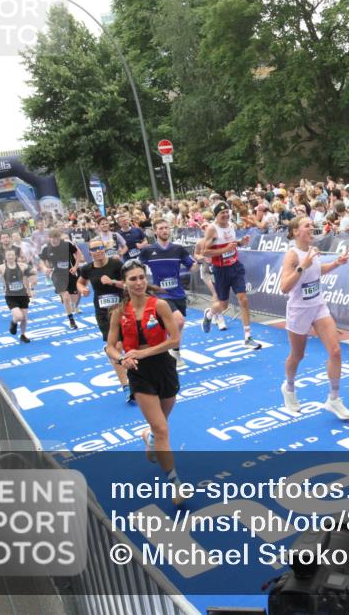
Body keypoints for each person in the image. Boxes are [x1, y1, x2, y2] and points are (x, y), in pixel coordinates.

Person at [104, 259, 185, 507]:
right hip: (138, 373)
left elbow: (175, 340)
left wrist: (143, 353)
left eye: (141, 278)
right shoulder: (119, 313)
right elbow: (109, 346)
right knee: (162, 429)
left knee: (161, 423)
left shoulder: (159, 305)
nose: (138, 283)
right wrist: (122, 359)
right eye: (133, 279)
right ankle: (175, 483)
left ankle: (148, 437)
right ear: (124, 283)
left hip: (164, 367)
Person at [278, 216, 349, 420]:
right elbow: (284, 287)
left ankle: (334, 399)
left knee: (336, 351)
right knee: (297, 355)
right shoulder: (292, 255)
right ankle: (289, 388)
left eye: (312, 225)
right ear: (295, 232)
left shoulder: (313, 251)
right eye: (307, 225)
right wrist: (302, 266)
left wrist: (336, 263)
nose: (312, 228)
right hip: (299, 309)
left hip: (318, 305)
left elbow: (317, 270)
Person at [199, 202, 261, 348]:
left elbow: (232, 245)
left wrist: (240, 243)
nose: (226, 215)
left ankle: (248, 337)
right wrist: (225, 249)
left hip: (235, 267)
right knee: (223, 304)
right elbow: (204, 252)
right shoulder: (212, 229)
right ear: (216, 215)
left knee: (243, 299)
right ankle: (209, 314)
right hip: (220, 270)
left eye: (227, 212)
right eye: (222, 213)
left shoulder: (231, 226)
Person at [77, 238, 131, 400]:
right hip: (103, 313)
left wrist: (113, 282)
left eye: (100, 247)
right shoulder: (87, 269)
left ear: (105, 248)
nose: (98, 251)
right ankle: (126, 385)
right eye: (94, 249)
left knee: (126, 344)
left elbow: (129, 283)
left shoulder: (116, 264)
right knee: (116, 346)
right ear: (90, 252)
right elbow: (80, 282)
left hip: (122, 310)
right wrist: (82, 289)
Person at [140, 219, 196, 360]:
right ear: (155, 231)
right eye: (161, 228)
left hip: (178, 293)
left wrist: (201, 262)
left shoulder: (178, 249)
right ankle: (173, 352)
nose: (165, 231)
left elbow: (192, 267)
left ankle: (172, 351)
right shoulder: (148, 250)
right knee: (179, 321)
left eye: (166, 228)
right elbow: (137, 268)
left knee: (175, 325)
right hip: (160, 294)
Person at [0, 248, 34, 342]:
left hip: (22, 295)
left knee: (24, 318)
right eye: (8, 255)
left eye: (12, 255)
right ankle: (13, 323)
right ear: (5, 257)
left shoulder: (22, 266)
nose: (10, 257)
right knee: (18, 316)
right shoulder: (1, 268)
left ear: (15, 257)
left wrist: (34, 279)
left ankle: (23, 335)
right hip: (11, 296)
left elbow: (33, 272)